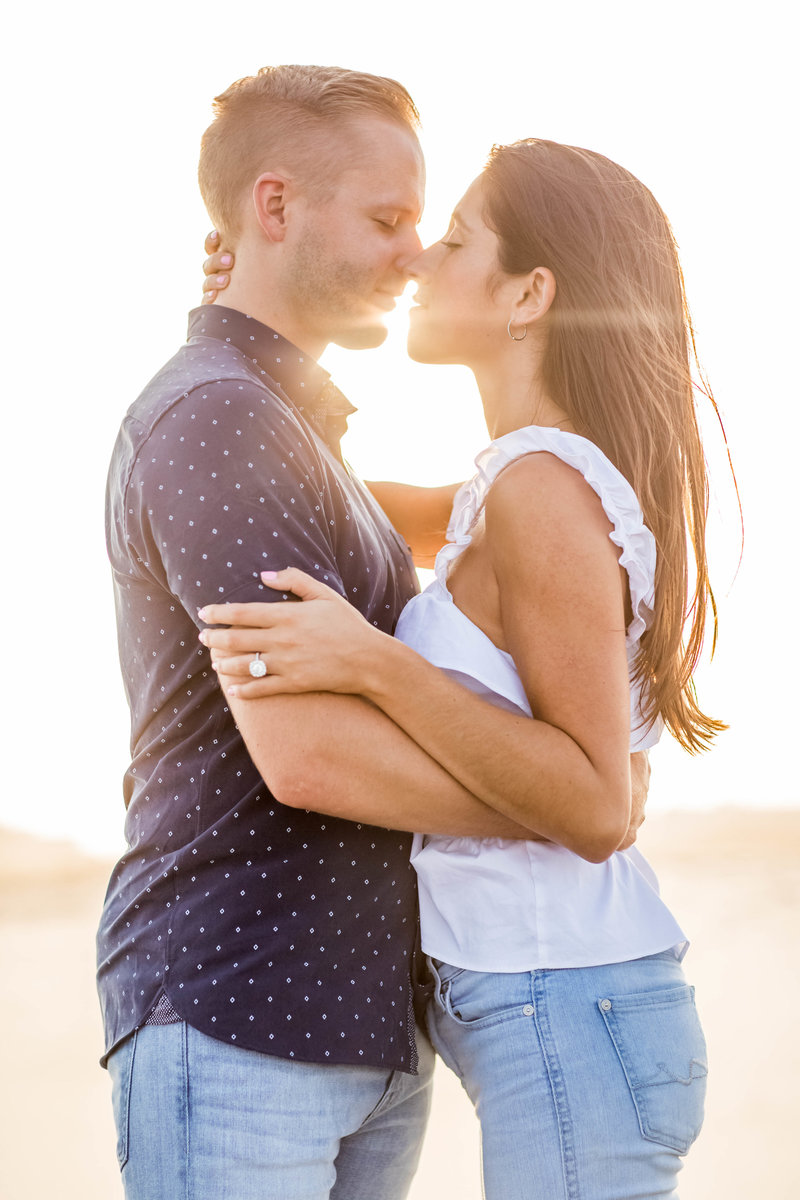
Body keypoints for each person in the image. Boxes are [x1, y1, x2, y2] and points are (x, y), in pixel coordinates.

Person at [101, 66, 648, 1200]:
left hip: (355, 1021)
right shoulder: (220, 417)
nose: (413, 255)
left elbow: (510, 516)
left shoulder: (290, 429)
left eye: (430, 229)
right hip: (243, 1007)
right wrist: (572, 800)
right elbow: (308, 755)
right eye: (391, 221)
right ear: (273, 207)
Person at [198, 138, 722, 1198]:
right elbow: (340, 499)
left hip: (570, 1008)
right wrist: (252, 328)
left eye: (454, 240)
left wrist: (375, 667)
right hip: (557, 1013)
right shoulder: (507, 484)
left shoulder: (540, 491)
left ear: (529, 294)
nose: (418, 264)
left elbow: (592, 805)